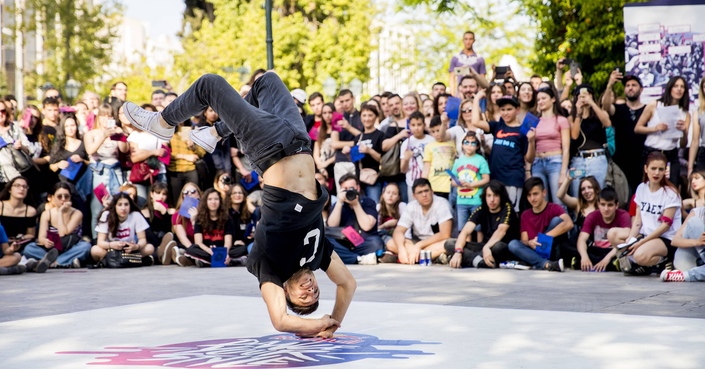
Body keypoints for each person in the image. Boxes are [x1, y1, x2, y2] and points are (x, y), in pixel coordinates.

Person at [123, 72, 354, 338]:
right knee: (267, 81)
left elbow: (280, 320)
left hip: (268, 147)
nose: (310, 290)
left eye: (303, 298)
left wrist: (316, 326)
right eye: (315, 293)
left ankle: (162, 121)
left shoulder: (268, 264)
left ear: (285, 291)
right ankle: (216, 132)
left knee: (210, 85)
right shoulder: (316, 256)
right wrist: (334, 322)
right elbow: (347, 284)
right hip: (298, 139)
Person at [610, 152, 682, 275]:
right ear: (646, 169)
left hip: (665, 238)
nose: (656, 173)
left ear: (665, 170)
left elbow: (665, 226)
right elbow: (638, 221)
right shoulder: (641, 188)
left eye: (661, 169)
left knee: (639, 255)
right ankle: (645, 264)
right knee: (613, 234)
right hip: (646, 234)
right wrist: (631, 239)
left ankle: (663, 262)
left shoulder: (671, 193)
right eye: (653, 168)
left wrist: (641, 242)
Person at [473, 93, 537, 210]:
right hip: (495, 178)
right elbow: (476, 122)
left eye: (509, 109)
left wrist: (531, 141)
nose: (505, 113)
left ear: (517, 110)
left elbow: (530, 159)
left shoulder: (524, 131)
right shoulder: (497, 126)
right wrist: (476, 99)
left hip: (512, 179)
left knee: (511, 212)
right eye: (502, 109)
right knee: (495, 211)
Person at [446, 180, 519, 268]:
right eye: (489, 196)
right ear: (485, 196)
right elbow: (465, 232)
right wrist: (458, 252)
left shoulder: (507, 208)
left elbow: (501, 231)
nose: (492, 200)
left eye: (495, 195)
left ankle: (471, 259)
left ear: (501, 196)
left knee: (498, 247)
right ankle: (478, 261)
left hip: (500, 247)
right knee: (450, 243)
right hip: (484, 246)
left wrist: (486, 247)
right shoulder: (482, 209)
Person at [634, 76, 690, 189]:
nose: (679, 89)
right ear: (670, 88)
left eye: (682, 87)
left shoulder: (685, 113)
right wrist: (655, 128)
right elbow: (638, 128)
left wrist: (684, 131)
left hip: (671, 154)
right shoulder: (654, 104)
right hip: (652, 151)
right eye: (676, 86)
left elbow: (683, 144)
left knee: (672, 188)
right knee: (647, 186)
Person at [508, 177, 572, 272]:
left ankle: (538, 262)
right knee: (513, 244)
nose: (532, 198)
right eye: (529, 195)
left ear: (544, 193)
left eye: (535, 194)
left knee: (557, 221)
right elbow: (524, 240)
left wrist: (544, 237)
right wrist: (530, 243)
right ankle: (546, 264)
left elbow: (569, 223)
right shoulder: (525, 215)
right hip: (534, 250)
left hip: (552, 250)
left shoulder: (554, 208)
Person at [25, 182, 92, 269]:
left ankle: (52, 262)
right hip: (52, 249)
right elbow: (41, 237)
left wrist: (60, 212)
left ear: (70, 198)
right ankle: (64, 262)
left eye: (66, 196)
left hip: (71, 248)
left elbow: (63, 233)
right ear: (52, 198)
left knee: (85, 246)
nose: (63, 199)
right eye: (59, 196)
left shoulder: (77, 213)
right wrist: (45, 241)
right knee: (29, 248)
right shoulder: (46, 214)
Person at [564, 187, 630, 272]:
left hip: (613, 251)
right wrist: (584, 257)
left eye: (610, 205)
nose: (606, 209)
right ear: (598, 204)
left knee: (626, 250)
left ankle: (610, 263)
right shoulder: (592, 216)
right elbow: (582, 239)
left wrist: (607, 259)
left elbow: (626, 241)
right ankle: (586, 262)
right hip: (595, 250)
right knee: (567, 245)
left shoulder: (623, 216)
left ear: (616, 205)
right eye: (603, 204)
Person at [390, 178, 453, 265]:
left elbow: (445, 234)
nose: (424, 195)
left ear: (432, 191)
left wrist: (419, 246)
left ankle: (413, 256)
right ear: (414, 196)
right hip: (419, 243)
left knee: (448, 245)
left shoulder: (442, 204)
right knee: (391, 243)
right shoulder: (411, 206)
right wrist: (401, 249)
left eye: (426, 191)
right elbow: (398, 231)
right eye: (420, 192)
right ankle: (431, 257)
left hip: (437, 242)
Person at [602, 72, 646, 194]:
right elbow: (606, 107)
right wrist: (610, 85)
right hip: (621, 163)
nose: (630, 87)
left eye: (634, 85)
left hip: (642, 161)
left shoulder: (647, 109)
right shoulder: (618, 108)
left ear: (641, 89)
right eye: (627, 85)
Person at [326, 174, 384, 265]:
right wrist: (339, 202)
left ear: (358, 188)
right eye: (345, 189)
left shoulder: (368, 202)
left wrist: (356, 204)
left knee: (376, 243)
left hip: (365, 243)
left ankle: (348, 257)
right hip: (344, 243)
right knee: (326, 242)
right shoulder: (338, 205)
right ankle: (359, 259)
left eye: (351, 188)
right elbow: (332, 226)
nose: (349, 191)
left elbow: (367, 226)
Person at [568, 84, 612, 195]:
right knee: (578, 192)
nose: (583, 98)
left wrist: (592, 103)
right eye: (580, 96)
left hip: (597, 158)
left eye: (587, 95)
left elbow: (607, 124)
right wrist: (578, 114)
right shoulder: (571, 117)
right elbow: (574, 136)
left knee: (599, 192)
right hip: (578, 160)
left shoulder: (600, 113)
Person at [184, 188, 243, 266]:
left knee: (242, 248)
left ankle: (206, 261)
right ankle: (226, 261)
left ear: (220, 201)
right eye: (210, 199)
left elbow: (228, 241)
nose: (213, 202)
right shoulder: (199, 219)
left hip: (222, 249)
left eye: (216, 199)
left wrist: (224, 253)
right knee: (191, 249)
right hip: (207, 250)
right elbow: (198, 242)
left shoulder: (227, 219)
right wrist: (209, 250)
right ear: (205, 202)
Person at [664, 169, 705, 282]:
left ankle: (685, 275)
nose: (693, 181)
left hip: (695, 265)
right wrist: (697, 242)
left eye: (697, 178)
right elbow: (675, 240)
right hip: (691, 258)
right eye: (692, 179)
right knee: (694, 222)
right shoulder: (697, 211)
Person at [532, 86, 570, 206]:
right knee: (540, 203)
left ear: (553, 99)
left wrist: (563, 173)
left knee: (559, 202)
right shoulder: (534, 120)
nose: (540, 101)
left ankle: (565, 224)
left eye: (543, 98)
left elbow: (566, 148)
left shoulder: (561, 120)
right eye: (538, 100)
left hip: (555, 162)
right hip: (537, 163)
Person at [451, 131, 490, 230]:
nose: (469, 145)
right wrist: (459, 183)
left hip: (477, 200)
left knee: (479, 228)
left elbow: (486, 179)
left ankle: (479, 245)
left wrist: (472, 184)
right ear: (462, 144)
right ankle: (465, 245)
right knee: (463, 228)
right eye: (466, 142)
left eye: (473, 143)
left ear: (477, 146)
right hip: (461, 200)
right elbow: (452, 180)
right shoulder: (458, 161)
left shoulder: (481, 160)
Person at [401, 112, 434, 201]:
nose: (416, 128)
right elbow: (403, 169)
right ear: (409, 126)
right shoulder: (406, 143)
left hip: (430, 182)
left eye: (419, 124)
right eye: (413, 125)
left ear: (424, 125)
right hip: (412, 183)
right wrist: (406, 160)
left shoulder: (432, 140)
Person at [422, 116, 456, 199]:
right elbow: (426, 167)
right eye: (433, 131)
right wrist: (423, 184)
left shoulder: (453, 143)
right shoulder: (429, 146)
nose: (436, 134)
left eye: (438, 130)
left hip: (450, 186)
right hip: (434, 185)